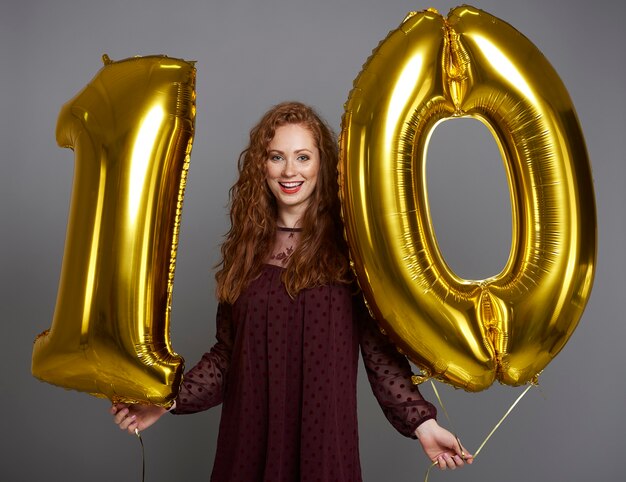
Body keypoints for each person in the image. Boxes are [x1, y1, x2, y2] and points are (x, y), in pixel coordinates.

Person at [111, 101, 473, 480]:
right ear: (261, 166)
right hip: (247, 446)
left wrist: (423, 424)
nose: (289, 171)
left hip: (322, 447)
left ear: (322, 163)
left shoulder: (352, 253)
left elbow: (380, 355)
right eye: (276, 157)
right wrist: (165, 401)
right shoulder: (244, 252)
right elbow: (226, 357)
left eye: (302, 157)